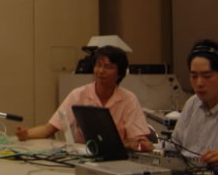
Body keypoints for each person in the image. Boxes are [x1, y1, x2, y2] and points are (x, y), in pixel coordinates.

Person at [15, 45, 151, 150]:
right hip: (84, 156)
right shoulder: (79, 94)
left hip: (119, 159)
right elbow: (50, 128)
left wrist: (133, 144)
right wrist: (27, 134)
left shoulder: (128, 99)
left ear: (120, 73)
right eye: (98, 65)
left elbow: (140, 142)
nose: (101, 71)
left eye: (108, 67)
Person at [167, 39, 218, 167]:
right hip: (184, 173)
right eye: (194, 76)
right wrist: (151, 146)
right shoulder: (192, 103)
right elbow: (174, 145)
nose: (199, 83)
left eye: (207, 76)